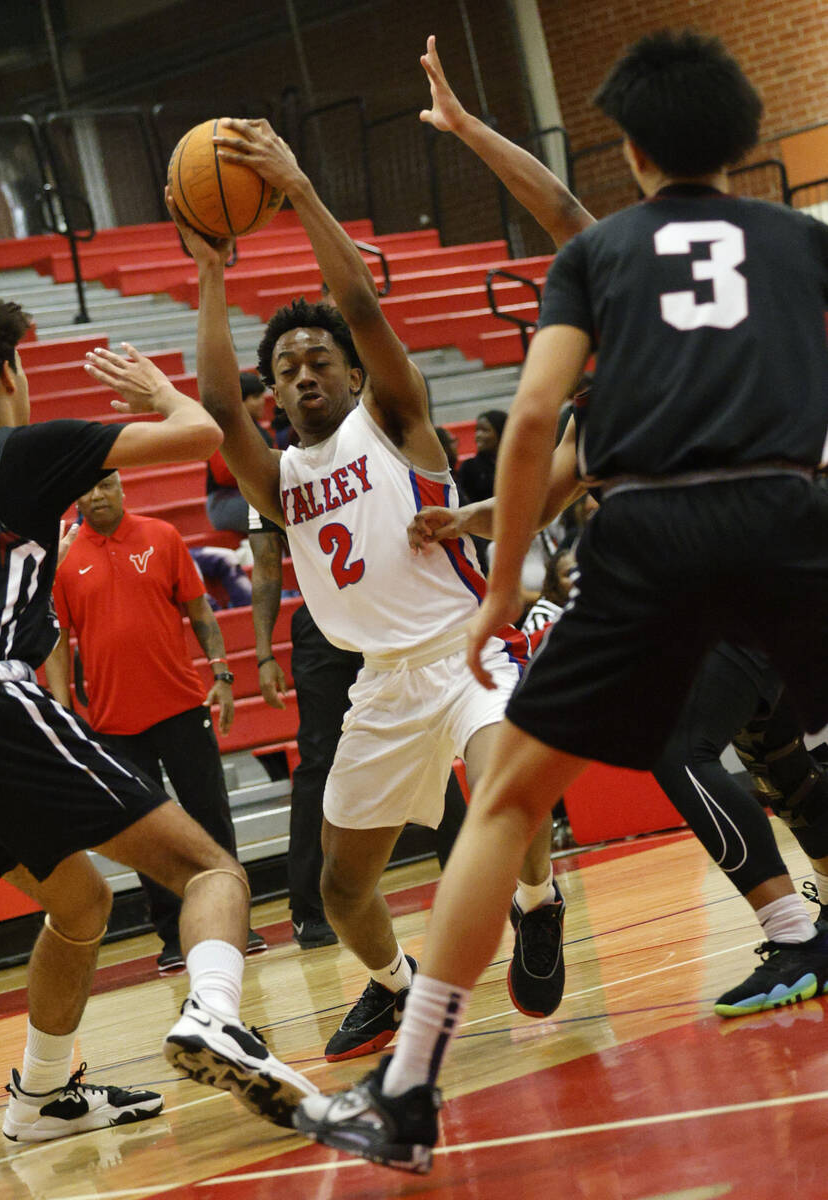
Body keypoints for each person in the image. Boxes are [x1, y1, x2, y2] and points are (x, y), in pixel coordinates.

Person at [294, 30, 828, 1171]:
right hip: (791, 512)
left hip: (649, 533)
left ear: (628, 151)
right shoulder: (800, 241)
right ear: (745, 138)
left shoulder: (606, 259)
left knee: (504, 806)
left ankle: (409, 1093)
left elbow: (534, 422)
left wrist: (501, 587)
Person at [169, 113, 564, 1068]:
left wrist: (299, 191)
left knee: (507, 781)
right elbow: (219, 408)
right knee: (339, 890)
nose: (301, 375)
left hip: (469, 646)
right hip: (380, 682)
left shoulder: (393, 420)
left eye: (319, 361)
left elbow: (364, 306)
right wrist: (212, 270)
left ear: (354, 374)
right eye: (286, 370)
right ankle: (391, 989)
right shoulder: (279, 480)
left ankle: (537, 903)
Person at [0, 293, 316, 1143]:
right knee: (211, 871)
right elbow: (202, 437)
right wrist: (162, 392)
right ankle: (217, 1017)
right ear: (10, 372)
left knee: (78, 902)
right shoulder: (25, 449)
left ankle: (41, 1097)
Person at [45, 470, 266, 973]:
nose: (96, 494)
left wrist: (222, 672)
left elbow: (200, 612)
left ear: (123, 487)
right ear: (75, 494)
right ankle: (172, 936)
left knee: (210, 818)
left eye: (106, 485)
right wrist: (62, 710)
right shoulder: (62, 558)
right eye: (88, 486)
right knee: (144, 834)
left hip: (183, 708)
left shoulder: (162, 536)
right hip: (111, 722)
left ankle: (233, 925)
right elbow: (58, 641)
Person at [249, 513, 468, 952]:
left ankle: (469, 881)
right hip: (325, 625)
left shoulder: (369, 449)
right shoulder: (274, 472)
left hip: (387, 616)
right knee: (318, 760)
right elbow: (267, 565)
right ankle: (309, 911)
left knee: (427, 742)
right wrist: (262, 653)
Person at [205, 371, 275, 533]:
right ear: (240, 402)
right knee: (273, 510)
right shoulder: (224, 429)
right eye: (256, 397)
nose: (263, 401)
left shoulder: (259, 430)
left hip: (250, 497)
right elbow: (224, 473)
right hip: (225, 502)